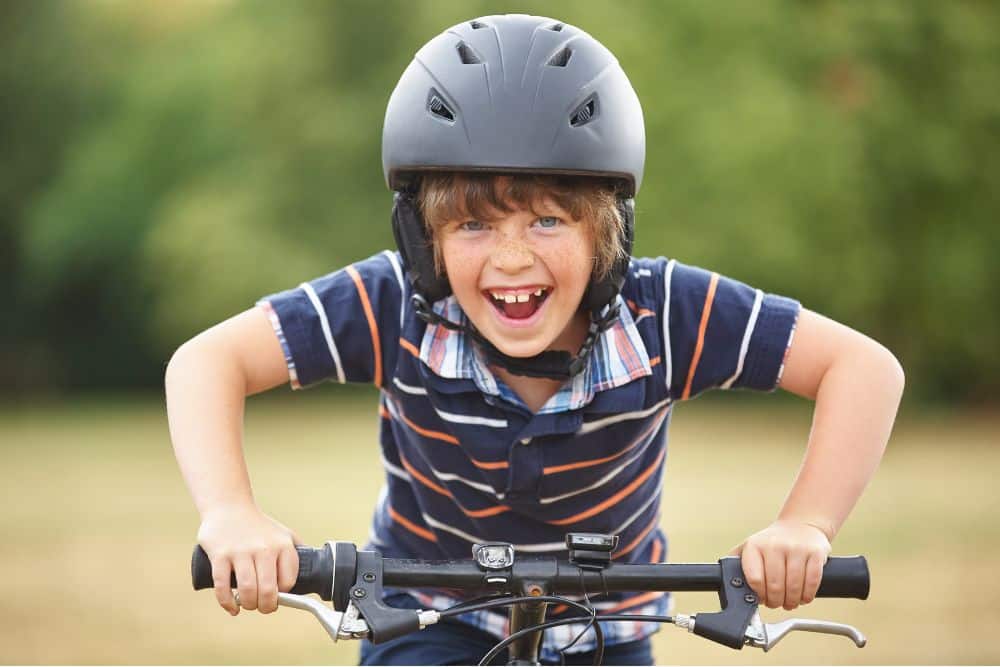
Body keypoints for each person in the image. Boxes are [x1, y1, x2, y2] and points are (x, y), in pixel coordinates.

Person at [165, 14, 904, 666]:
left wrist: (805, 523)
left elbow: (862, 368)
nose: (511, 258)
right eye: (474, 224)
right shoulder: (395, 303)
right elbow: (207, 362)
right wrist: (231, 511)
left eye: (547, 220)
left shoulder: (666, 312)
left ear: (604, 232)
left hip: (607, 630)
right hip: (430, 619)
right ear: (426, 242)